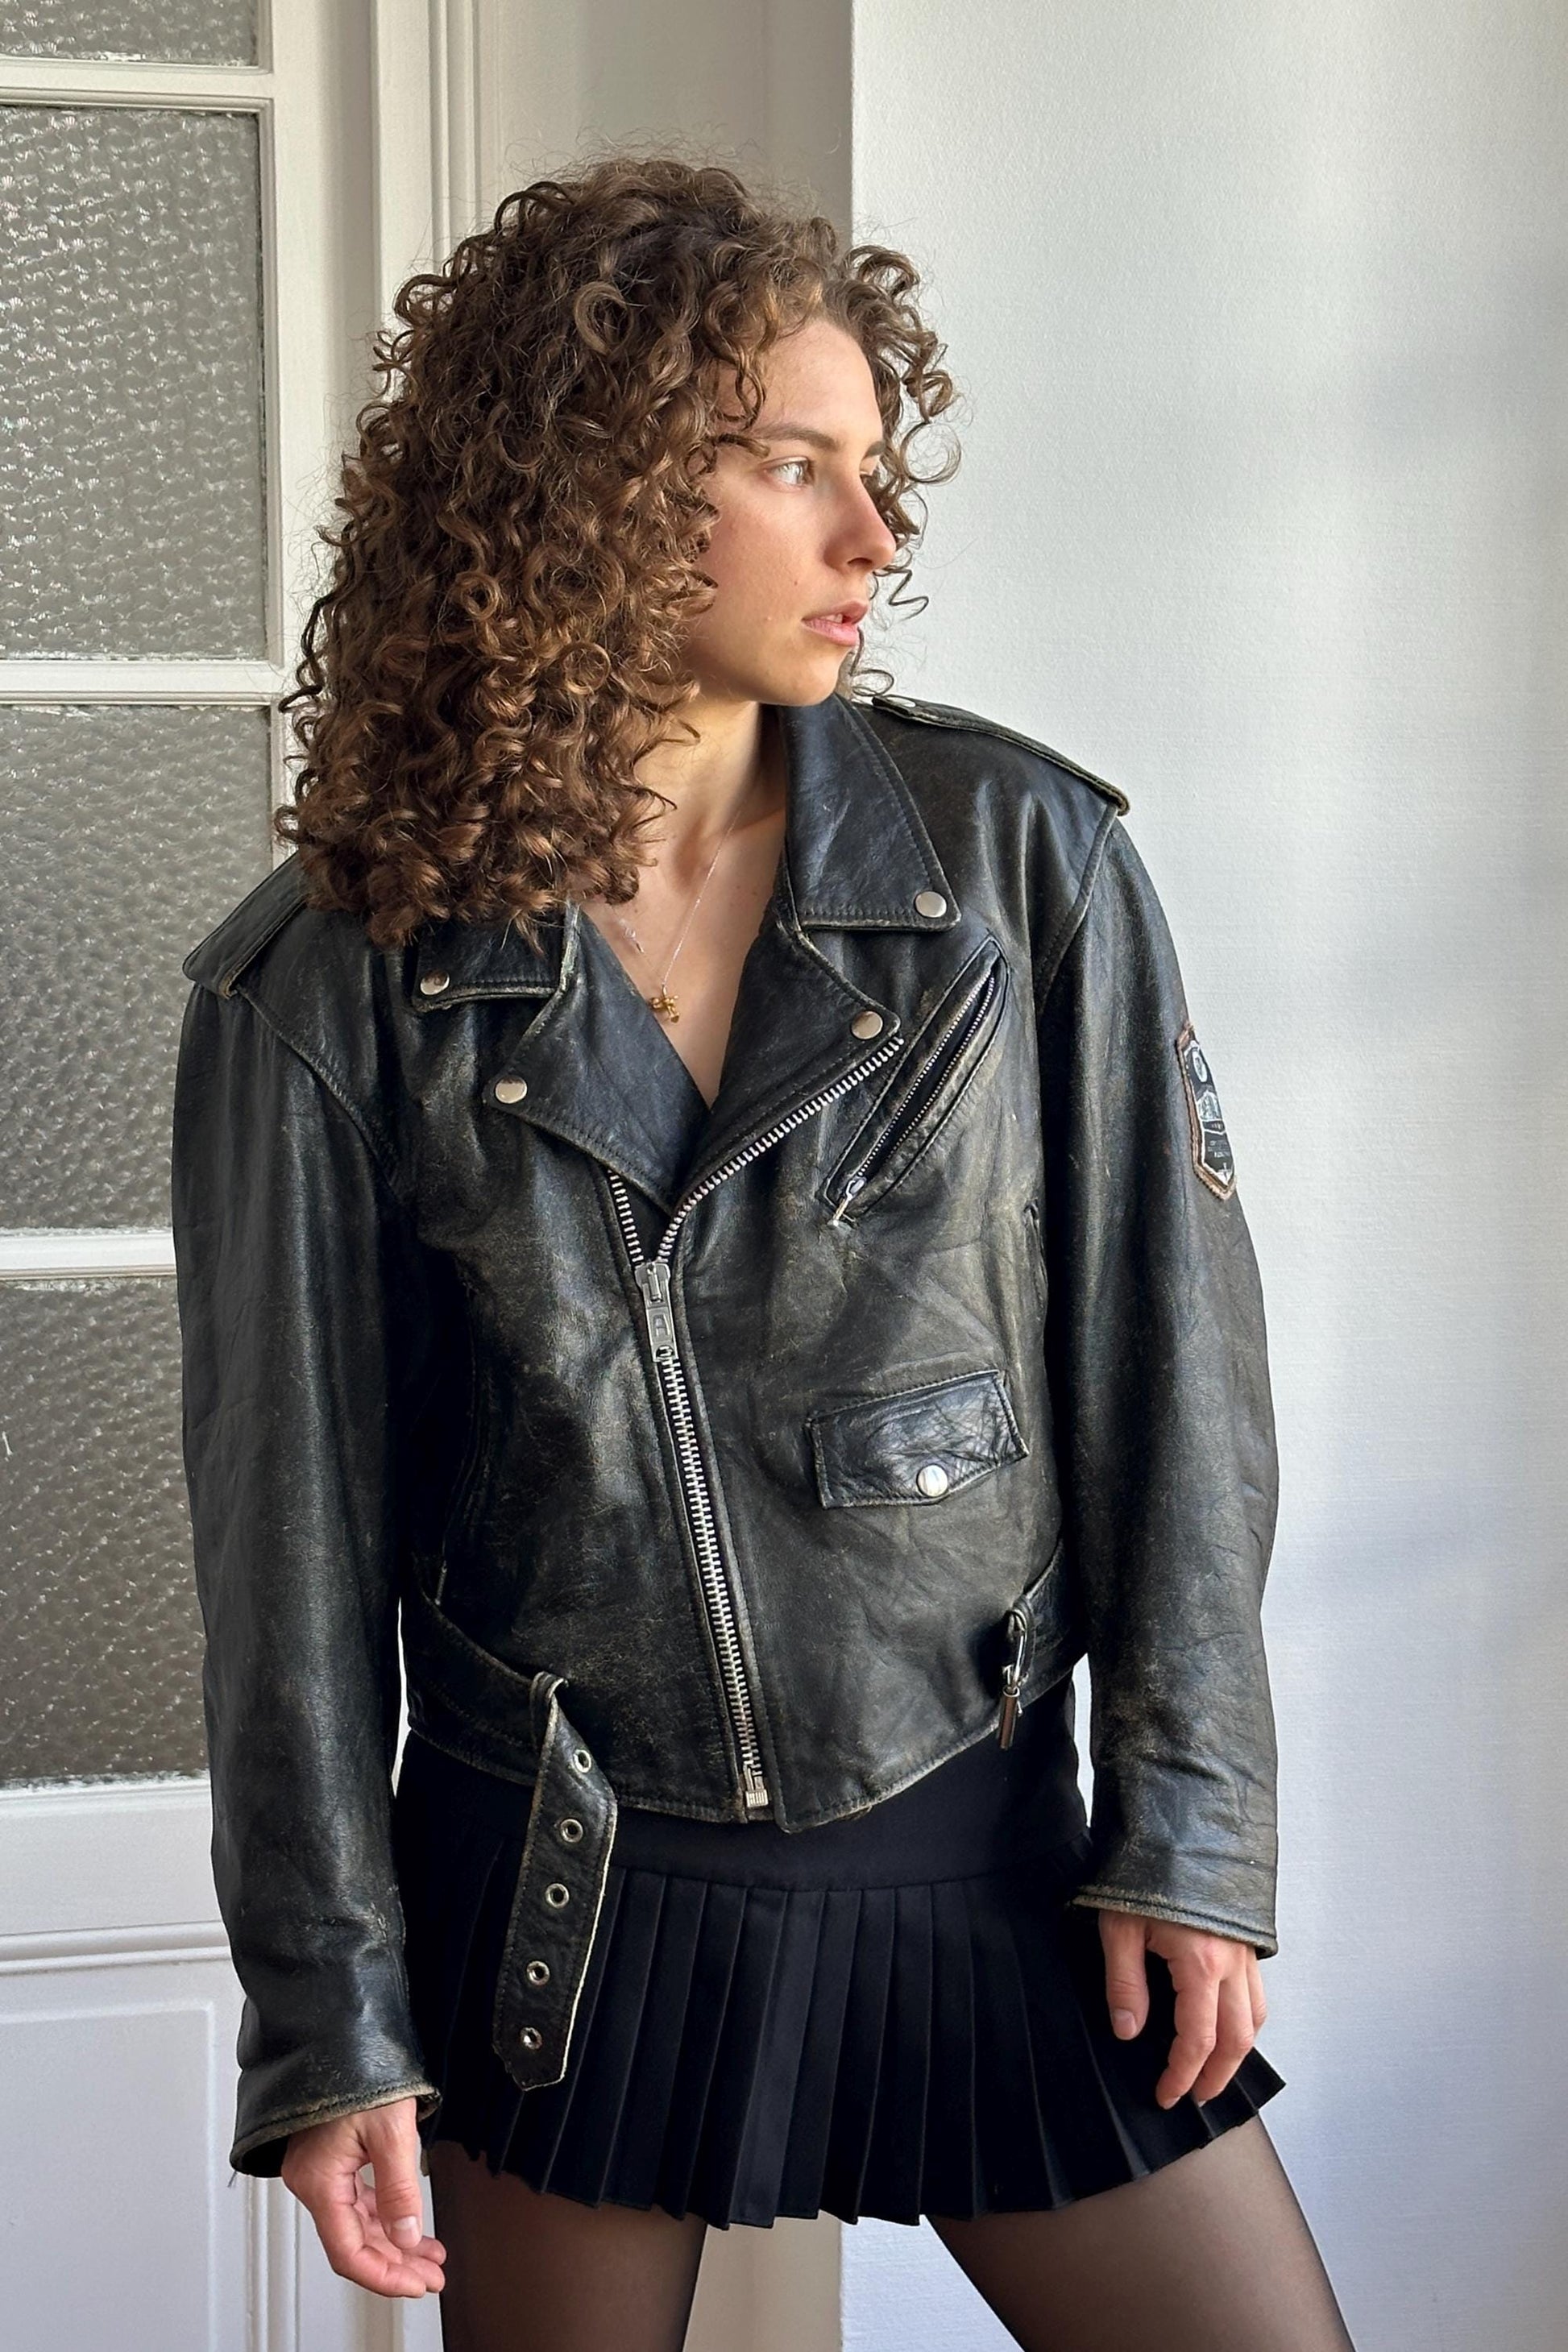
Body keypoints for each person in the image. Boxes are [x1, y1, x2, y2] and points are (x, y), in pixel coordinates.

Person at [170, 155, 1357, 2350]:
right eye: (794, 468)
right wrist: (329, 2021)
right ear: (592, 490)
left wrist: (1188, 1829)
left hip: (992, 1852)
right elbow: (289, 1562)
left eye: (875, 473)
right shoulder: (325, 988)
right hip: (562, 1903)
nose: (871, 542)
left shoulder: (1025, 863)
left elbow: (1173, 1368)